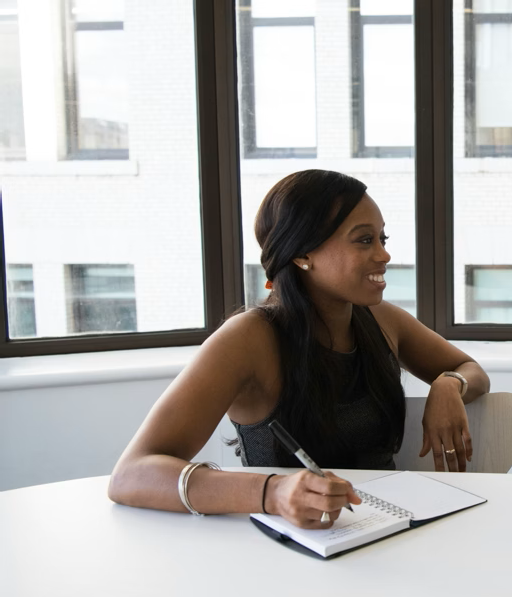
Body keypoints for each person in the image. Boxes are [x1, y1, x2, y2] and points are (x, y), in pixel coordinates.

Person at [109, 169, 490, 529]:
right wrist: (274, 492)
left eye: (382, 239)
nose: (384, 255)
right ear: (303, 253)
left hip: (381, 531)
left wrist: (447, 383)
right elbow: (131, 474)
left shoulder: (381, 318)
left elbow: (469, 368)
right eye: (363, 240)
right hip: (282, 546)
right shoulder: (247, 338)